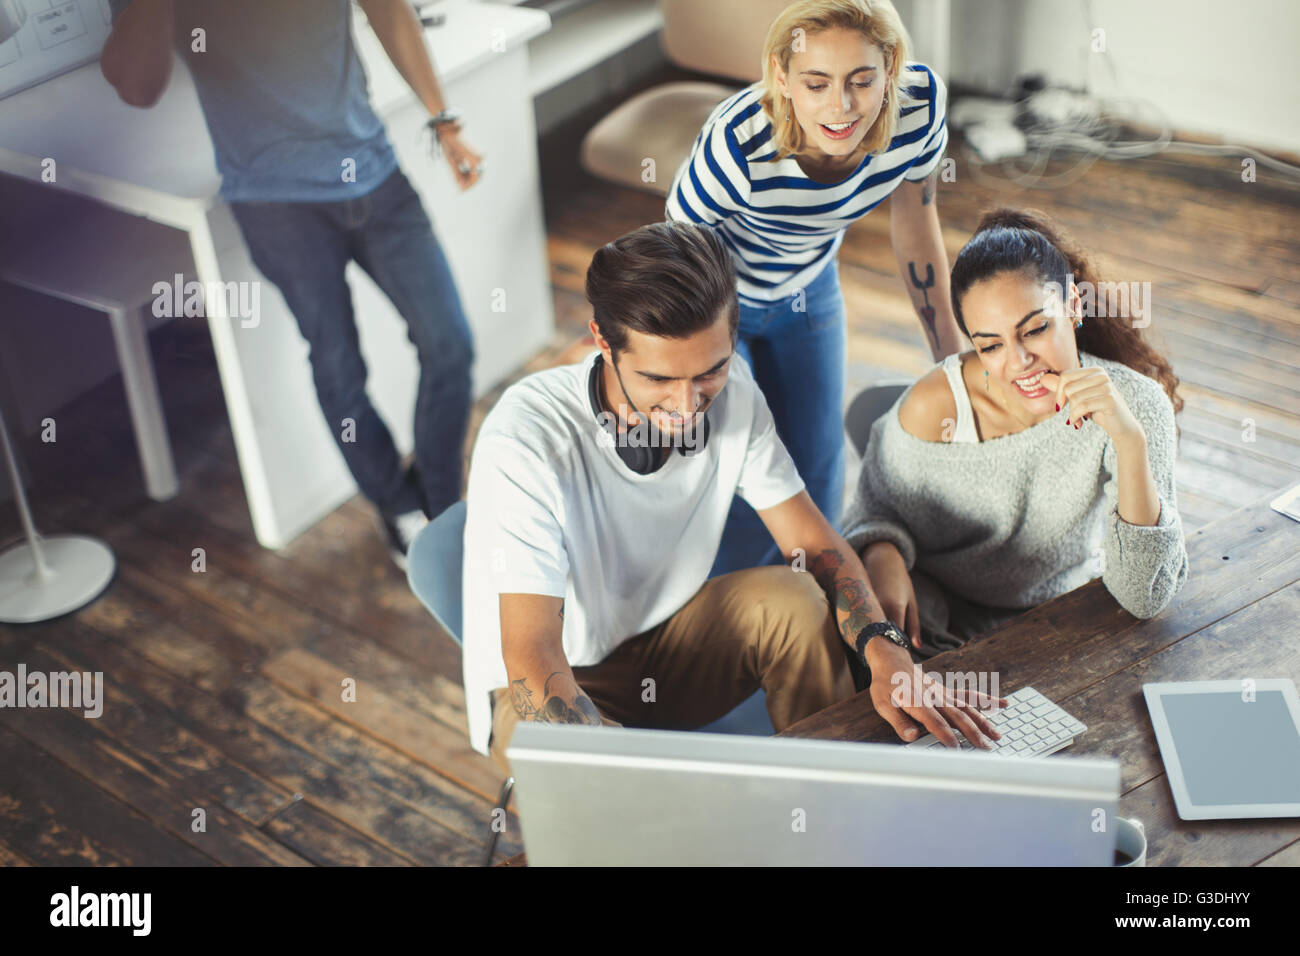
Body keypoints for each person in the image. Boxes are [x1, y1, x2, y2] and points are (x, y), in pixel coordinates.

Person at [461, 221, 1003, 773]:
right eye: (658, 379)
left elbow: (816, 547)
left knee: (793, 601)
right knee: (636, 812)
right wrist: (622, 774)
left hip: (665, 648)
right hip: (543, 684)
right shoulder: (527, 439)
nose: (688, 404)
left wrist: (889, 652)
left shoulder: (734, 391)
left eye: (710, 370)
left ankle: (826, 792)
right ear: (602, 342)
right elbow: (531, 656)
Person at [100, 0, 482, 568]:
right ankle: (398, 506)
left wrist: (442, 119)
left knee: (450, 344)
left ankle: (442, 503)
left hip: (376, 174)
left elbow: (389, 10)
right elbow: (137, 85)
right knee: (339, 368)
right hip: (277, 207)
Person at [667, 0, 961, 577]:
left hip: (809, 285)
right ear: (782, 76)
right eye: (817, 82)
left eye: (861, 80)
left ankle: (821, 608)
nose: (841, 106)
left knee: (820, 466)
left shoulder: (919, 109)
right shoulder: (737, 143)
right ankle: (738, 621)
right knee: (747, 470)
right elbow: (680, 262)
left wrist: (951, 357)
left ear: (892, 66)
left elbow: (917, 224)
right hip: (718, 302)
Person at [843, 208, 1190, 656]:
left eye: (1037, 329)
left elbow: (1144, 596)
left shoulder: (1137, 407)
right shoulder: (935, 405)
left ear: (1074, 307)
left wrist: (1129, 442)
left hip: (1053, 624)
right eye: (990, 345)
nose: (1019, 361)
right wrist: (882, 553)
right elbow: (874, 512)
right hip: (931, 624)